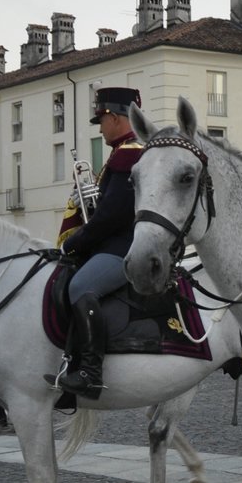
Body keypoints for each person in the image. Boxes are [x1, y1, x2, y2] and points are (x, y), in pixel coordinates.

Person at [52, 86, 144, 396]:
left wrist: (73, 242)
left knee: (81, 287)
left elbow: (112, 217)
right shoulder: (120, 154)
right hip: (113, 243)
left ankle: (90, 371)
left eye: (102, 121)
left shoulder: (130, 154)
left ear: (117, 118)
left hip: (124, 248)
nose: (101, 127)